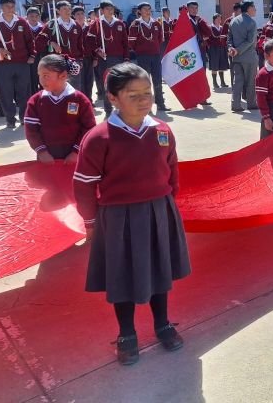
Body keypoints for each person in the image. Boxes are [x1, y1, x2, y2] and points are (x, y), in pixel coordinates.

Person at [73, 63, 191, 366]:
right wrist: (90, 222)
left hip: (157, 211)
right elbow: (84, 185)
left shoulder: (162, 131)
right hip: (117, 218)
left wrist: (165, 207)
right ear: (113, 97)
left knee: (159, 270)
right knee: (122, 275)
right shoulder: (99, 138)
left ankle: (162, 323)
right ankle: (127, 333)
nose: (143, 100)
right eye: (133, 94)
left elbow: (172, 171)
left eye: (147, 93)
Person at [24, 54, 95, 162]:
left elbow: (89, 128)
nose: (41, 80)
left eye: (46, 76)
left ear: (63, 75)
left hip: (75, 156)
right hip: (46, 156)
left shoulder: (80, 100)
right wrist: (41, 151)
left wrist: (76, 152)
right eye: (40, 75)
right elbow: (31, 130)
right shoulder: (35, 101)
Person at [0, 0, 35, 127]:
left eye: (12, 6)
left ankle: (24, 117)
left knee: (24, 91)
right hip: (4, 64)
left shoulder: (21, 22)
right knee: (6, 92)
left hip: (22, 62)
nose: (10, 9)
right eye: (7, 6)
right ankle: (10, 119)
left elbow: (30, 41)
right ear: (1, 7)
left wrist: (32, 55)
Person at [85, 0, 129, 115]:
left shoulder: (120, 23)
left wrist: (126, 58)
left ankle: (120, 108)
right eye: (107, 9)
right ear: (102, 10)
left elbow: (125, 42)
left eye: (112, 9)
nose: (110, 11)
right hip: (103, 59)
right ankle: (108, 110)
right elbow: (89, 40)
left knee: (119, 84)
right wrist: (97, 50)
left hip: (118, 58)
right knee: (106, 84)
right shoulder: (97, 23)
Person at [127, 2, 169, 112]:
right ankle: (147, 106)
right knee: (145, 82)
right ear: (139, 11)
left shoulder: (156, 24)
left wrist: (153, 48)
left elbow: (160, 39)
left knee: (157, 80)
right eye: (145, 9)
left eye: (149, 9)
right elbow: (131, 42)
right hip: (142, 56)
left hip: (155, 55)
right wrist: (141, 50)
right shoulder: (135, 24)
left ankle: (160, 103)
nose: (147, 11)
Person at [44, 1, 85, 92]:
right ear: (58, 11)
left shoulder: (76, 25)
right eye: (64, 9)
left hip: (73, 61)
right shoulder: (51, 25)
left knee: (75, 87)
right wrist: (51, 43)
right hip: (57, 61)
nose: (68, 11)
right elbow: (39, 40)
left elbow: (80, 45)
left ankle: (74, 105)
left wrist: (80, 59)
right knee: (59, 86)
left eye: (69, 9)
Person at [227, 1, 259, 113]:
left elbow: (229, 38)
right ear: (248, 9)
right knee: (251, 82)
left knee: (237, 81)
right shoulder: (251, 22)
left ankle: (235, 104)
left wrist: (231, 48)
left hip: (235, 57)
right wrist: (238, 50)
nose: (255, 10)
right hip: (249, 57)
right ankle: (251, 103)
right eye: (254, 7)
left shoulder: (233, 21)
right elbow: (250, 41)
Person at [26, 7, 47, 92]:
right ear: (27, 16)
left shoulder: (43, 28)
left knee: (43, 76)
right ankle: (35, 97)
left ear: (39, 17)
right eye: (31, 16)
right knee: (33, 79)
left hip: (42, 56)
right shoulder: (24, 27)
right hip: (30, 57)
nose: (34, 18)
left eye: (36, 16)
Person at [207, 13, 230, 89]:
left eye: (220, 19)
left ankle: (222, 82)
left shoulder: (222, 28)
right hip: (214, 48)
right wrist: (219, 37)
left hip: (222, 48)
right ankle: (214, 82)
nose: (220, 20)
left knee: (221, 65)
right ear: (214, 19)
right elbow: (210, 39)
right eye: (218, 19)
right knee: (214, 65)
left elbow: (226, 37)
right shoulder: (210, 27)